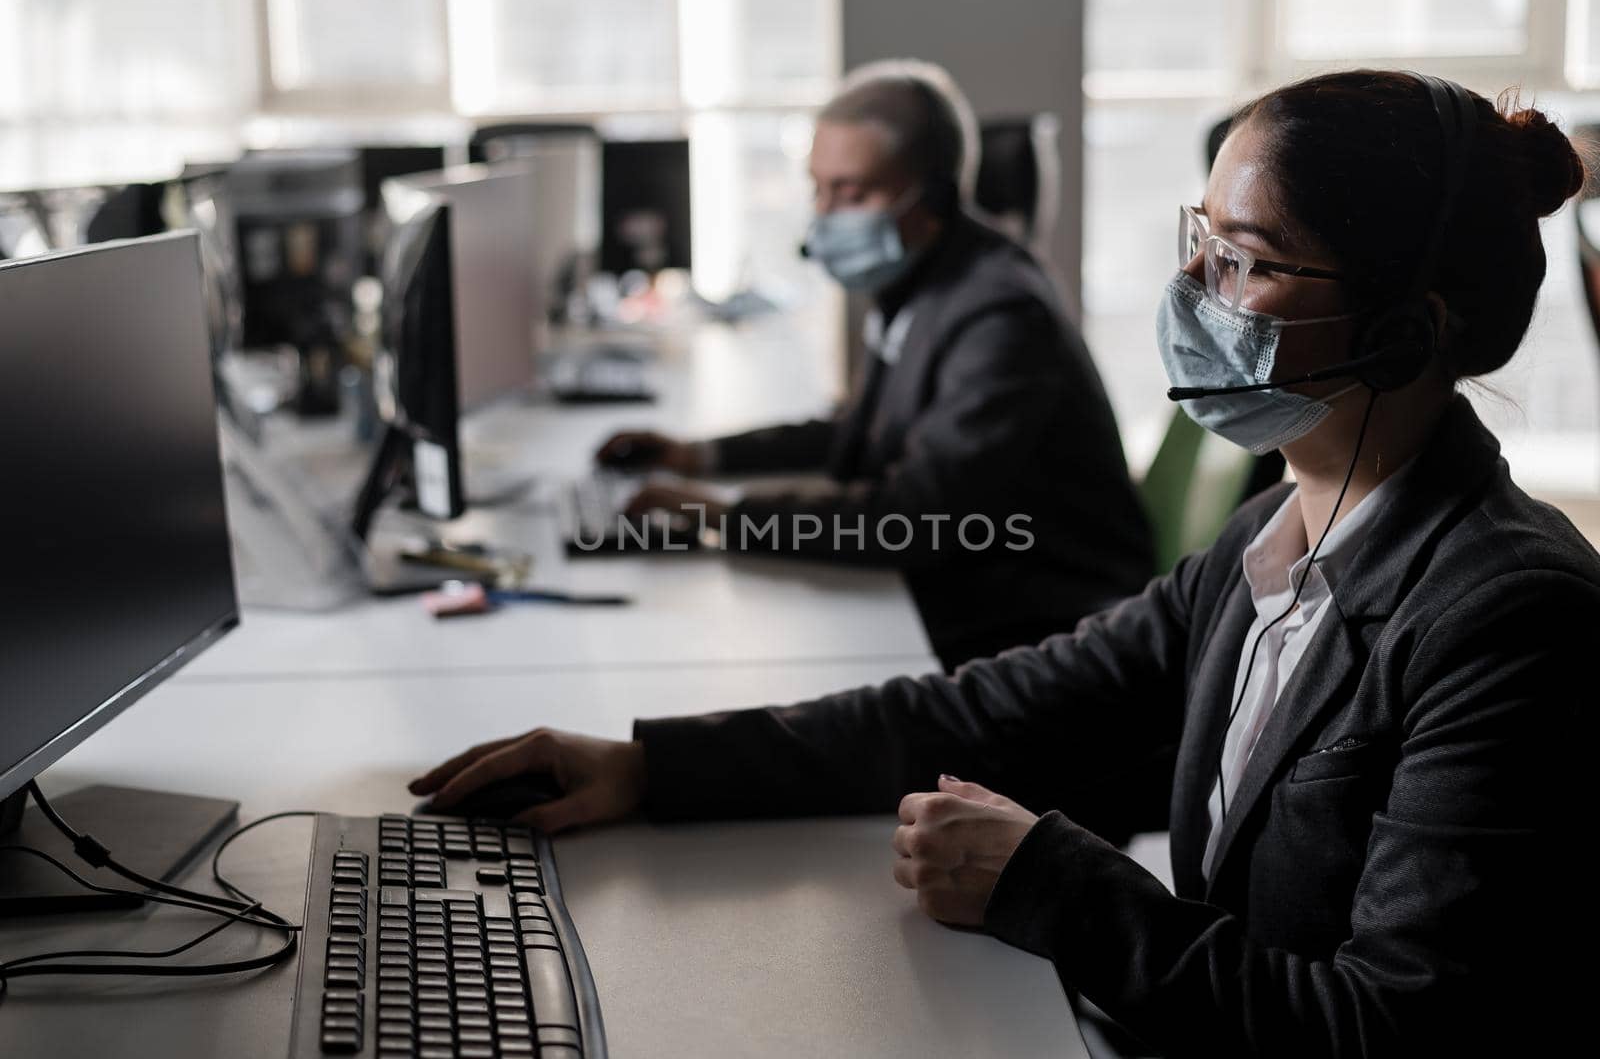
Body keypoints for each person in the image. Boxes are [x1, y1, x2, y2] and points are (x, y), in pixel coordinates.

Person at [414, 70, 1600, 1055]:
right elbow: (993, 705)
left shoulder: (1510, 621)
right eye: (1200, 240)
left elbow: (1386, 1028)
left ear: (1409, 326)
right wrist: (648, 765)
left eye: (1244, 259)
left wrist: (1057, 883)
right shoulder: (1272, 536)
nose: (1191, 289)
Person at [595, 60, 1153, 670]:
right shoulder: (923, 281)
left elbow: (915, 518)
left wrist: (724, 518)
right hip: (968, 587)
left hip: (1046, 631)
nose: (822, 217)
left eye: (851, 193)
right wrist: (698, 457)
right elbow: (860, 434)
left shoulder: (1000, 315)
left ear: (934, 197)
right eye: (818, 188)